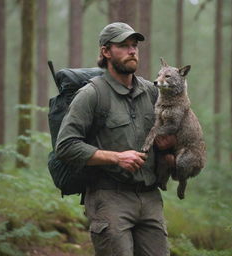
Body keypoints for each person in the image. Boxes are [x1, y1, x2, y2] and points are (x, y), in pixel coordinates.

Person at [56, 22, 173, 256]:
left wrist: (171, 144)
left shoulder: (151, 92)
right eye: (123, 46)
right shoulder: (92, 95)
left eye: (134, 45)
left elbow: (172, 130)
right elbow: (66, 146)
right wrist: (116, 158)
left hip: (150, 197)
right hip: (109, 197)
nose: (132, 51)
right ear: (106, 52)